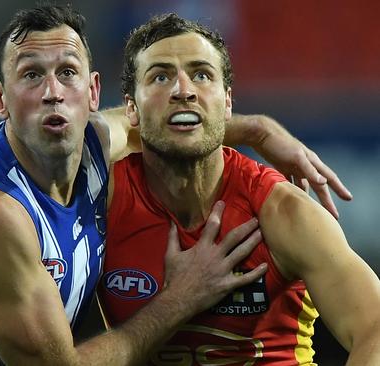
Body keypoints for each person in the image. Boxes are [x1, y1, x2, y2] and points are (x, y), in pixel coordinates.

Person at [0, 6, 355, 366]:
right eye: (31, 76)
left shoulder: (97, 147)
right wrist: (181, 297)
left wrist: (260, 130)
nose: (52, 92)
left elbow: (171, 118)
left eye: (66, 74)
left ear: (93, 93)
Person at [96, 13, 380, 364]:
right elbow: (85, 136)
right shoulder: (103, 202)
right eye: (160, 77)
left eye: (201, 75)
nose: (183, 90)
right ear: (130, 108)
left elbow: (374, 328)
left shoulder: (280, 211)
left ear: (227, 102)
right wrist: (254, 129)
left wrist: (257, 128)